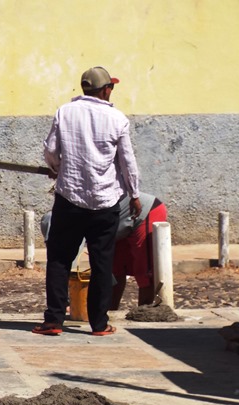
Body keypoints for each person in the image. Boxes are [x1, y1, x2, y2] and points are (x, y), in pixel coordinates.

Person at [34, 66, 140, 336]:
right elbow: (127, 162)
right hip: (105, 201)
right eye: (111, 87)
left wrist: (57, 168)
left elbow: (51, 150)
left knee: (59, 259)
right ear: (106, 90)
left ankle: (54, 321)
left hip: (70, 198)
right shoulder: (117, 118)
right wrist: (135, 194)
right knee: (102, 262)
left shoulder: (64, 112)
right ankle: (99, 324)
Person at [110, 192, 168, 309]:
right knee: (113, 268)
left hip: (145, 212)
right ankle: (108, 313)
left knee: (144, 269)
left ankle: (144, 313)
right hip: (117, 224)